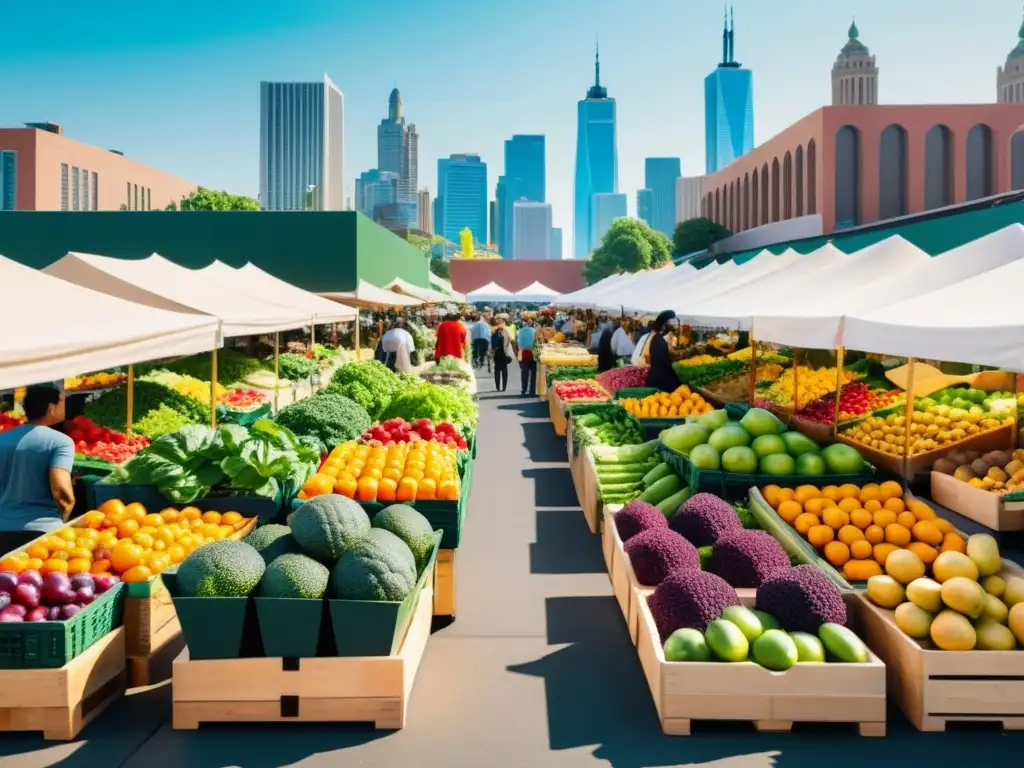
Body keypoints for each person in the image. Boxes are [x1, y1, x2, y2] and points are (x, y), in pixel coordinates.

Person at [0, 385, 75, 553]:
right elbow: (61, 490)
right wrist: (62, 518)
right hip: (41, 533)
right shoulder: (61, 442)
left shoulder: (2, 439)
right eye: (62, 402)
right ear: (51, 408)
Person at [646, 310, 684, 392]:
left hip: (657, 377)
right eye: (668, 322)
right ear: (664, 324)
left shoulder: (657, 337)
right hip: (661, 381)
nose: (671, 325)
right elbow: (662, 360)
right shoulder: (657, 338)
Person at [490, 318, 515, 392]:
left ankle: (498, 387)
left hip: (497, 354)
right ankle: (503, 387)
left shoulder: (494, 333)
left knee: (498, 371)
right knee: (504, 371)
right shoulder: (506, 333)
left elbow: (492, 344)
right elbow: (510, 342)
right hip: (503, 354)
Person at [517, 318, 538, 396]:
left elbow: (518, 343)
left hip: (523, 353)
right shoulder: (534, 331)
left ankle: (524, 390)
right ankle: (532, 391)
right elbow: (537, 342)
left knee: (524, 373)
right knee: (533, 374)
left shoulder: (519, 332)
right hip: (533, 353)